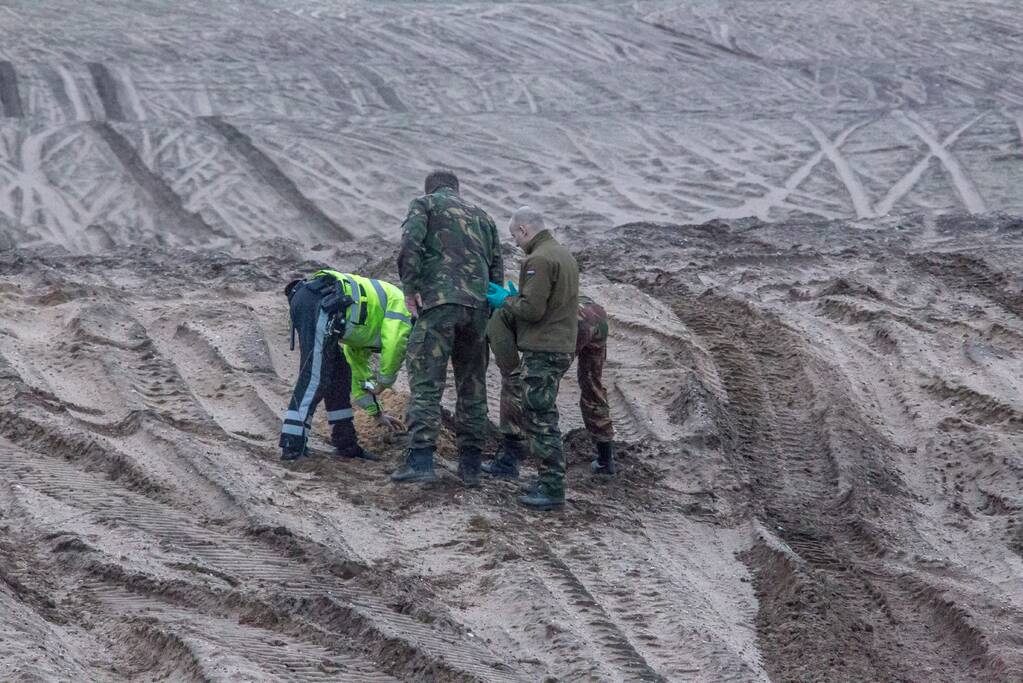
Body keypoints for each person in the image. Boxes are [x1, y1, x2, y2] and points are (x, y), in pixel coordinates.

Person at [392, 170, 503, 486]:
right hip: (478, 309)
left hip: (440, 304)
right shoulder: (484, 217)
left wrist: (410, 288)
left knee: (427, 379)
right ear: (457, 189)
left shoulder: (424, 205)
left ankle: (421, 459)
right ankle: (471, 465)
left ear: (430, 188)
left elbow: (410, 244)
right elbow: (497, 267)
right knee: (473, 384)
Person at [486, 207, 579, 510]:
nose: (515, 243)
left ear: (524, 230)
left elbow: (532, 310)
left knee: (540, 417)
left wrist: (506, 301)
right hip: (561, 344)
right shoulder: (563, 255)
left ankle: (552, 487)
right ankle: (547, 481)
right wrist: (518, 298)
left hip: (544, 348)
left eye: (515, 237)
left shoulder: (537, 259)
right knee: (543, 413)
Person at [279, 269, 410, 461]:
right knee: (314, 378)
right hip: (322, 300)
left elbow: (358, 370)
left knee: (340, 374)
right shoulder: (404, 309)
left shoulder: (368, 329)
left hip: (321, 301)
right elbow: (395, 344)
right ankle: (292, 447)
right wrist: (384, 381)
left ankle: (346, 444)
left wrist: (376, 413)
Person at [483, 293, 616, 478]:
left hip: (570, 324)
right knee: (592, 384)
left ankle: (509, 460)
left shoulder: (495, 321)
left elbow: (512, 376)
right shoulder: (517, 301)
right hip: (593, 313)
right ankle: (606, 458)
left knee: (523, 385)